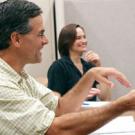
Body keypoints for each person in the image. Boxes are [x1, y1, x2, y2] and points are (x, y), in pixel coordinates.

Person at [0, 0, 135, 135]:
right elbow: (55, 129)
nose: (45, 40)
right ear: (16, 39)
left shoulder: (21, 77)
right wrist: (122, 105)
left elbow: (60, 107)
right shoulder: (3, 83)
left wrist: (90, 74)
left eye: (84, 37)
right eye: (40, 34)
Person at [47, 24, 111, 101]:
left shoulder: (88, 66)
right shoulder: (58, 67)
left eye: (84, 37)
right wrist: (79, 97)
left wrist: (99, 67)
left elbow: (106, 98)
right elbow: (54, 103)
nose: (84, 41)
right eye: (78, 38)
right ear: (67, 42)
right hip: (71, 113)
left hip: (90, 112)